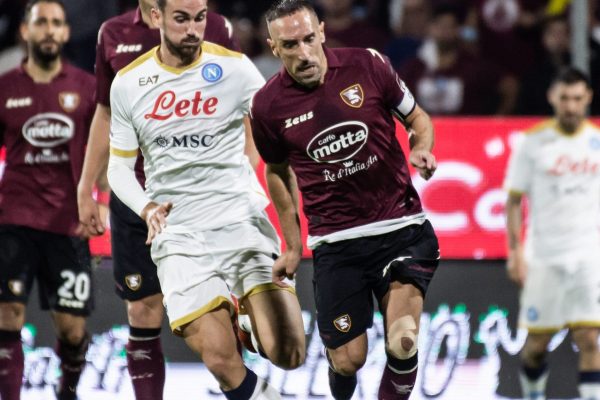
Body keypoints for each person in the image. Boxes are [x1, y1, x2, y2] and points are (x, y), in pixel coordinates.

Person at [106, 0, 306, 398]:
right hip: (179, 236)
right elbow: (118, 170)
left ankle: (250, 324)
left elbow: (282, 135)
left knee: (289, 353)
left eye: (199, 19)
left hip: (240, 221)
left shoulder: (235, 69)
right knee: (219, 359)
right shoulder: (129, 82)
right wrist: (146, 208)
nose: (193, 29)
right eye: (181, 19)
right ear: (157, 16)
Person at [251, 1, 440, 399]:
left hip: (400, 228)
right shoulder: (267, 106)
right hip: (336, 243)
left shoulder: (368, 65)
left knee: (403, 341)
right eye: (290, 45)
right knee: (347, 359)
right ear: (273, 48)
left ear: (321, 31)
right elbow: (276, 171)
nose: (303, 53)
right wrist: (290, 244)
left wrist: (421, 147)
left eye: (308, 39)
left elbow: (418, 118)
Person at [76, 1, 241, 398]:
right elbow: (105, 112)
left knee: (218, 315)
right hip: (135, 195)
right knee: (142, 309)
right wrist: (87, 186)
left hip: (198, 194)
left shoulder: (216, 28)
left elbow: (239, 108)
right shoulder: (113, 33)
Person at [0, 1, 95, 399]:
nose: (50, 31)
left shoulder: (87, 88)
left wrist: (100, 200)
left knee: (72, 331)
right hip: (13, 220)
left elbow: (103, 152)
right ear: (25, 31)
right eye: (42, 23)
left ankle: (67, 388)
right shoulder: (5, 87)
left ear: (66, 33)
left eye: (57, 24)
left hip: (67, 223)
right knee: (7, 319)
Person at [504, 67, 600, 400]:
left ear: (587, 98)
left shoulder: (597, 143)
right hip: (544, 258)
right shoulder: (532, 143)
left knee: (590, 338)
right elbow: (513, 201)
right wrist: (515, 252)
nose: (571, 106)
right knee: (536, 345)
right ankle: (533, 395)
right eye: (564, 98)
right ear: (552, 98)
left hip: (588, 257)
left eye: (577, 98)